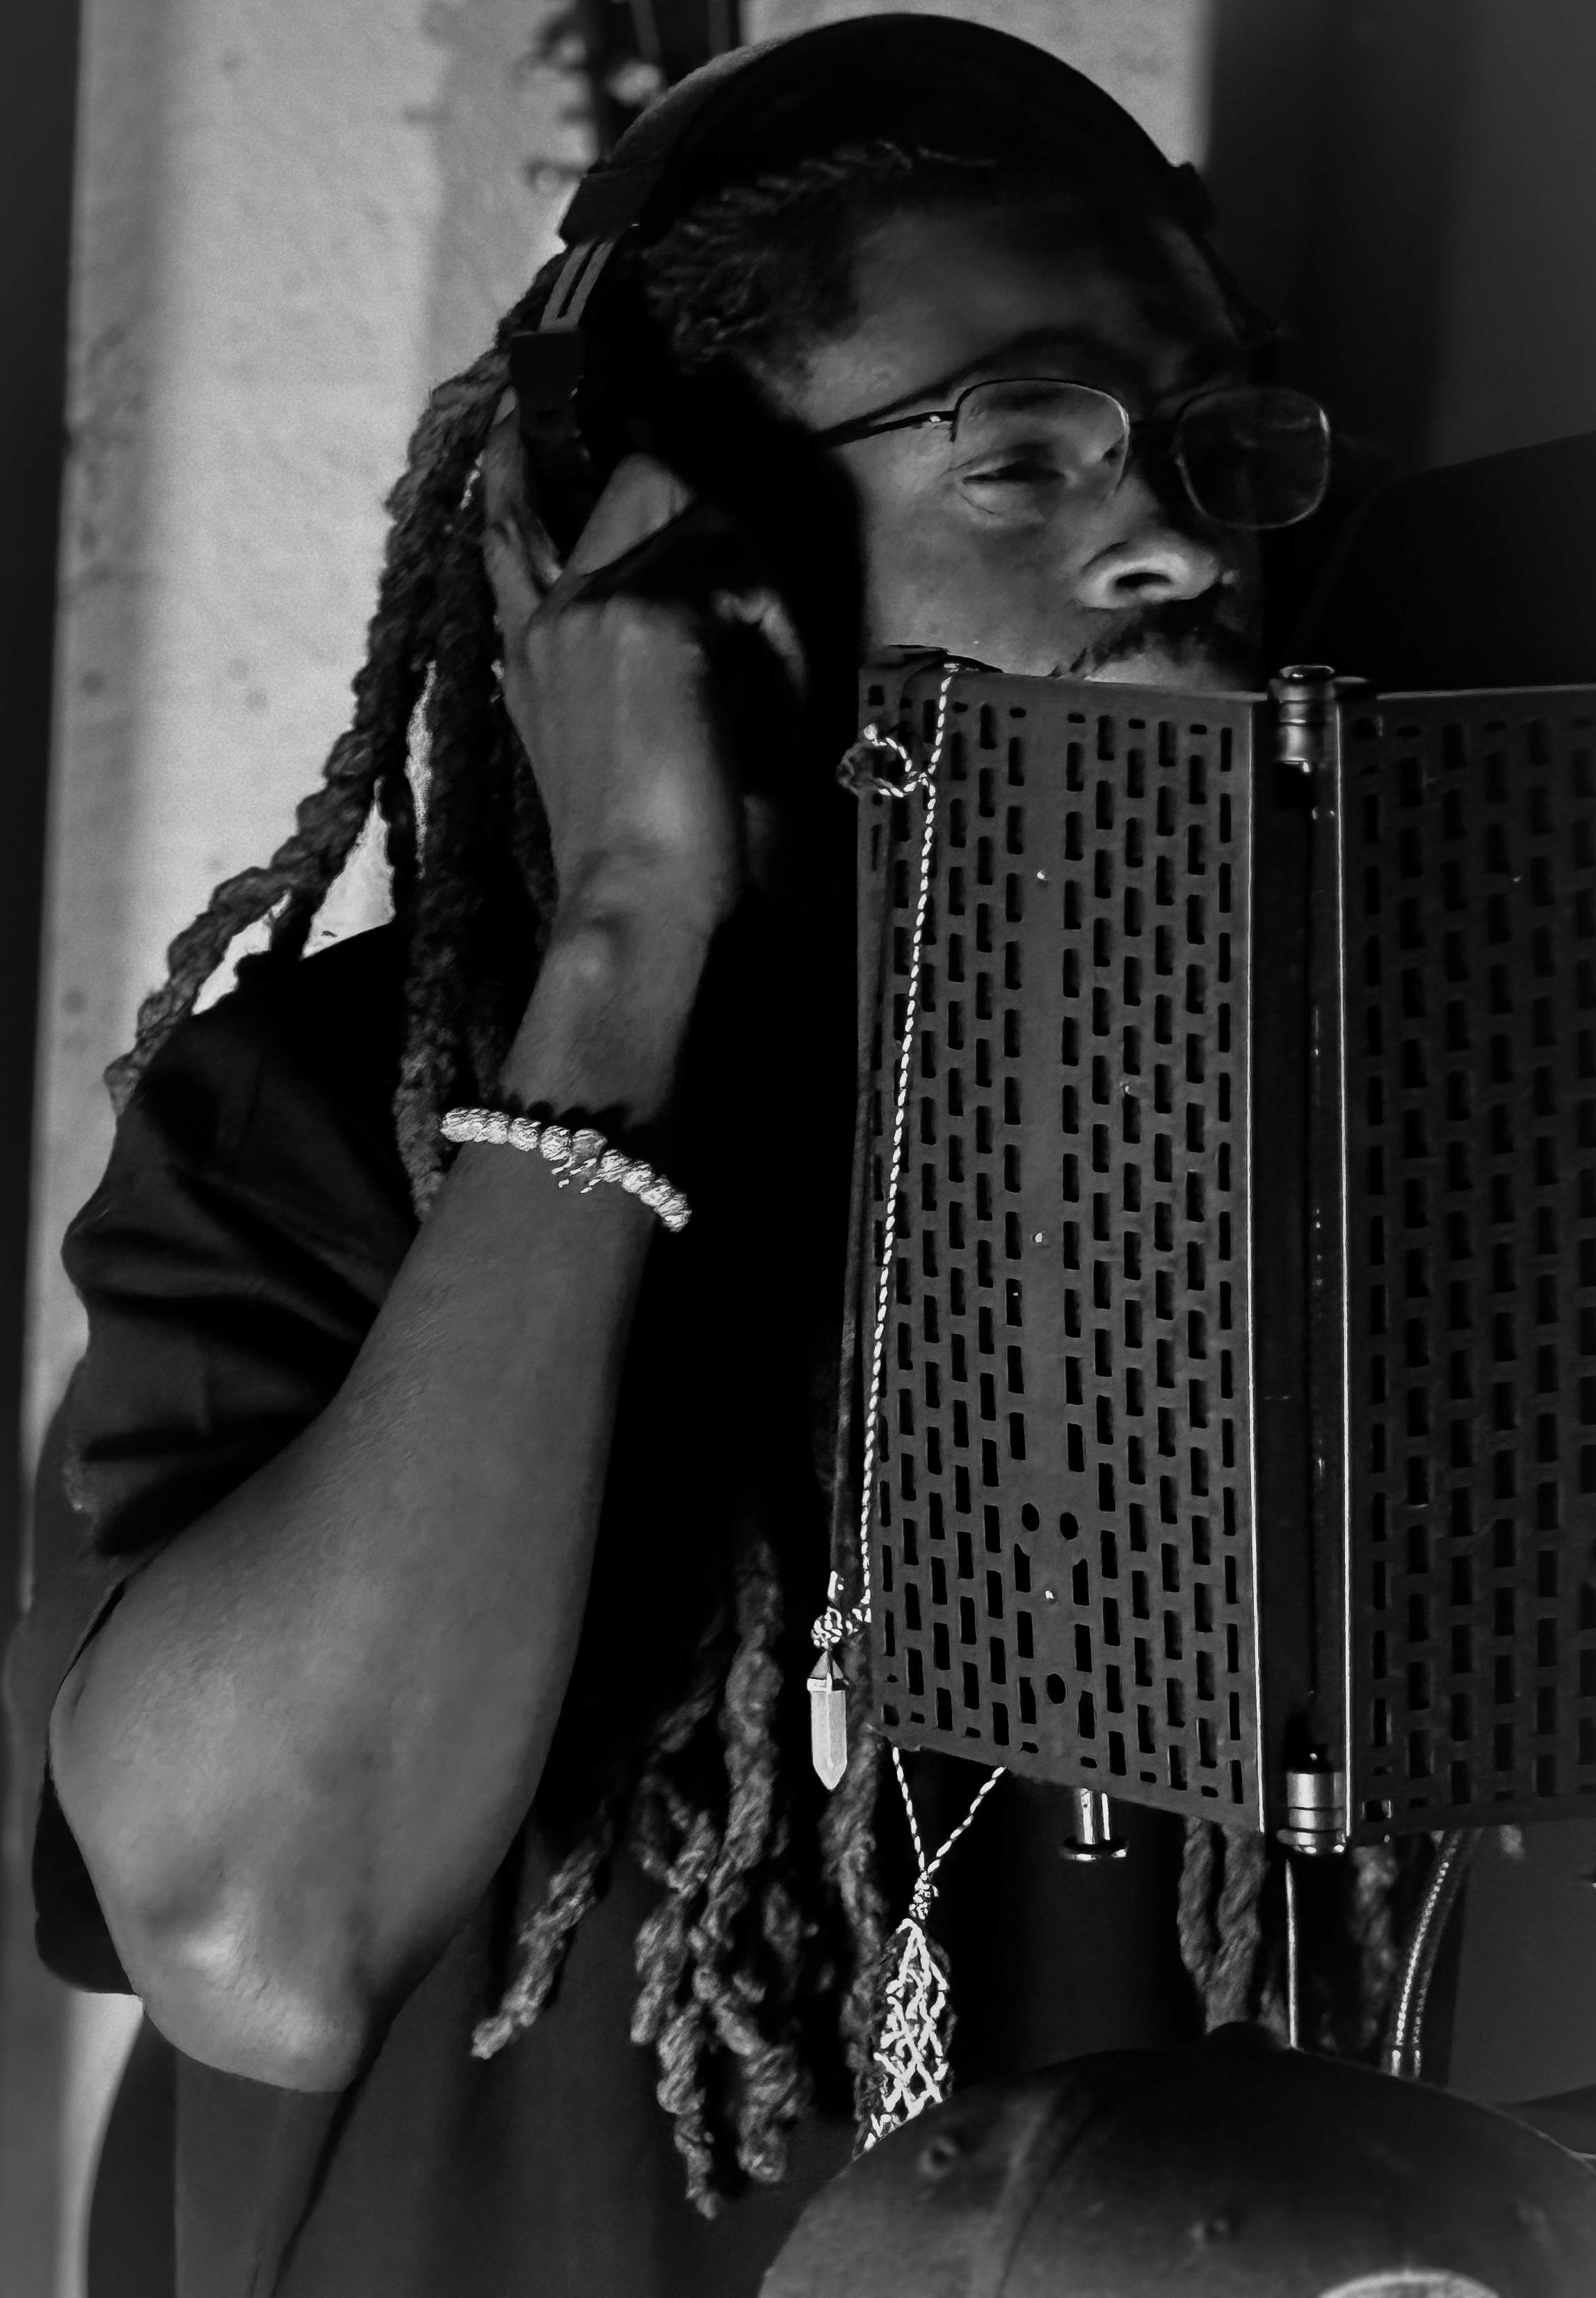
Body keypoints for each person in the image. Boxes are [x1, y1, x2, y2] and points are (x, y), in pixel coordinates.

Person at [6, 17, 1390, 2297]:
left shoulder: (1384, 1087)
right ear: (677, 553)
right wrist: (632, 932)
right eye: (1021, 458)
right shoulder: (337, 1120)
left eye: (1211, 447)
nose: (1172, 541)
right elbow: (265, 1934)